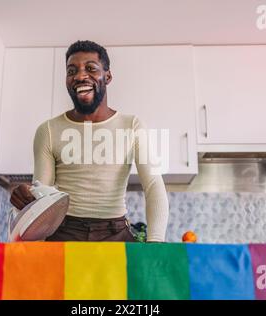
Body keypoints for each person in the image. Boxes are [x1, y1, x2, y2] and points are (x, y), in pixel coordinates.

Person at [10, 40, 169, 242]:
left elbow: (154, 184)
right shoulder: (48, 130)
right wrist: (27, 199)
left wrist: (156, 243)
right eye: (71, 71)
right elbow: (43, 193)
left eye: (91, 68)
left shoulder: (133, 125)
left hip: (116, 233)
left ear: (108, 76)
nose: (80, 76)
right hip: (64, 233)